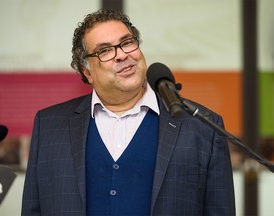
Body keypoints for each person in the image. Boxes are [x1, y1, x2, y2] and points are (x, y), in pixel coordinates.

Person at [22, 9, 235, 216]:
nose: (122, 55)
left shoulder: (202, 126)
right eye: (105, 50)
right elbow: (33, 209)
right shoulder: (49, 126)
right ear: (87, 72)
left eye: (127, 42)